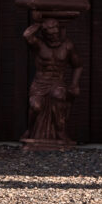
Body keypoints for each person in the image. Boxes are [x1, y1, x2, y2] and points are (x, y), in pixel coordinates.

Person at [22, 13, 82, 144]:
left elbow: (78, 66)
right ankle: (30, 130)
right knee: (36, 106)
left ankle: (61, 131)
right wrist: (38, 23)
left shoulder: (67, 46)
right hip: (40, 83)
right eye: (49, 34)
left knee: (59, 95)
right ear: (44, 34)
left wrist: (74, 84)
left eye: (55, 33)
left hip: (57, 82)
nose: (53, 37)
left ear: (59, 31)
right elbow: (27, 35)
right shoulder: (39, 44)